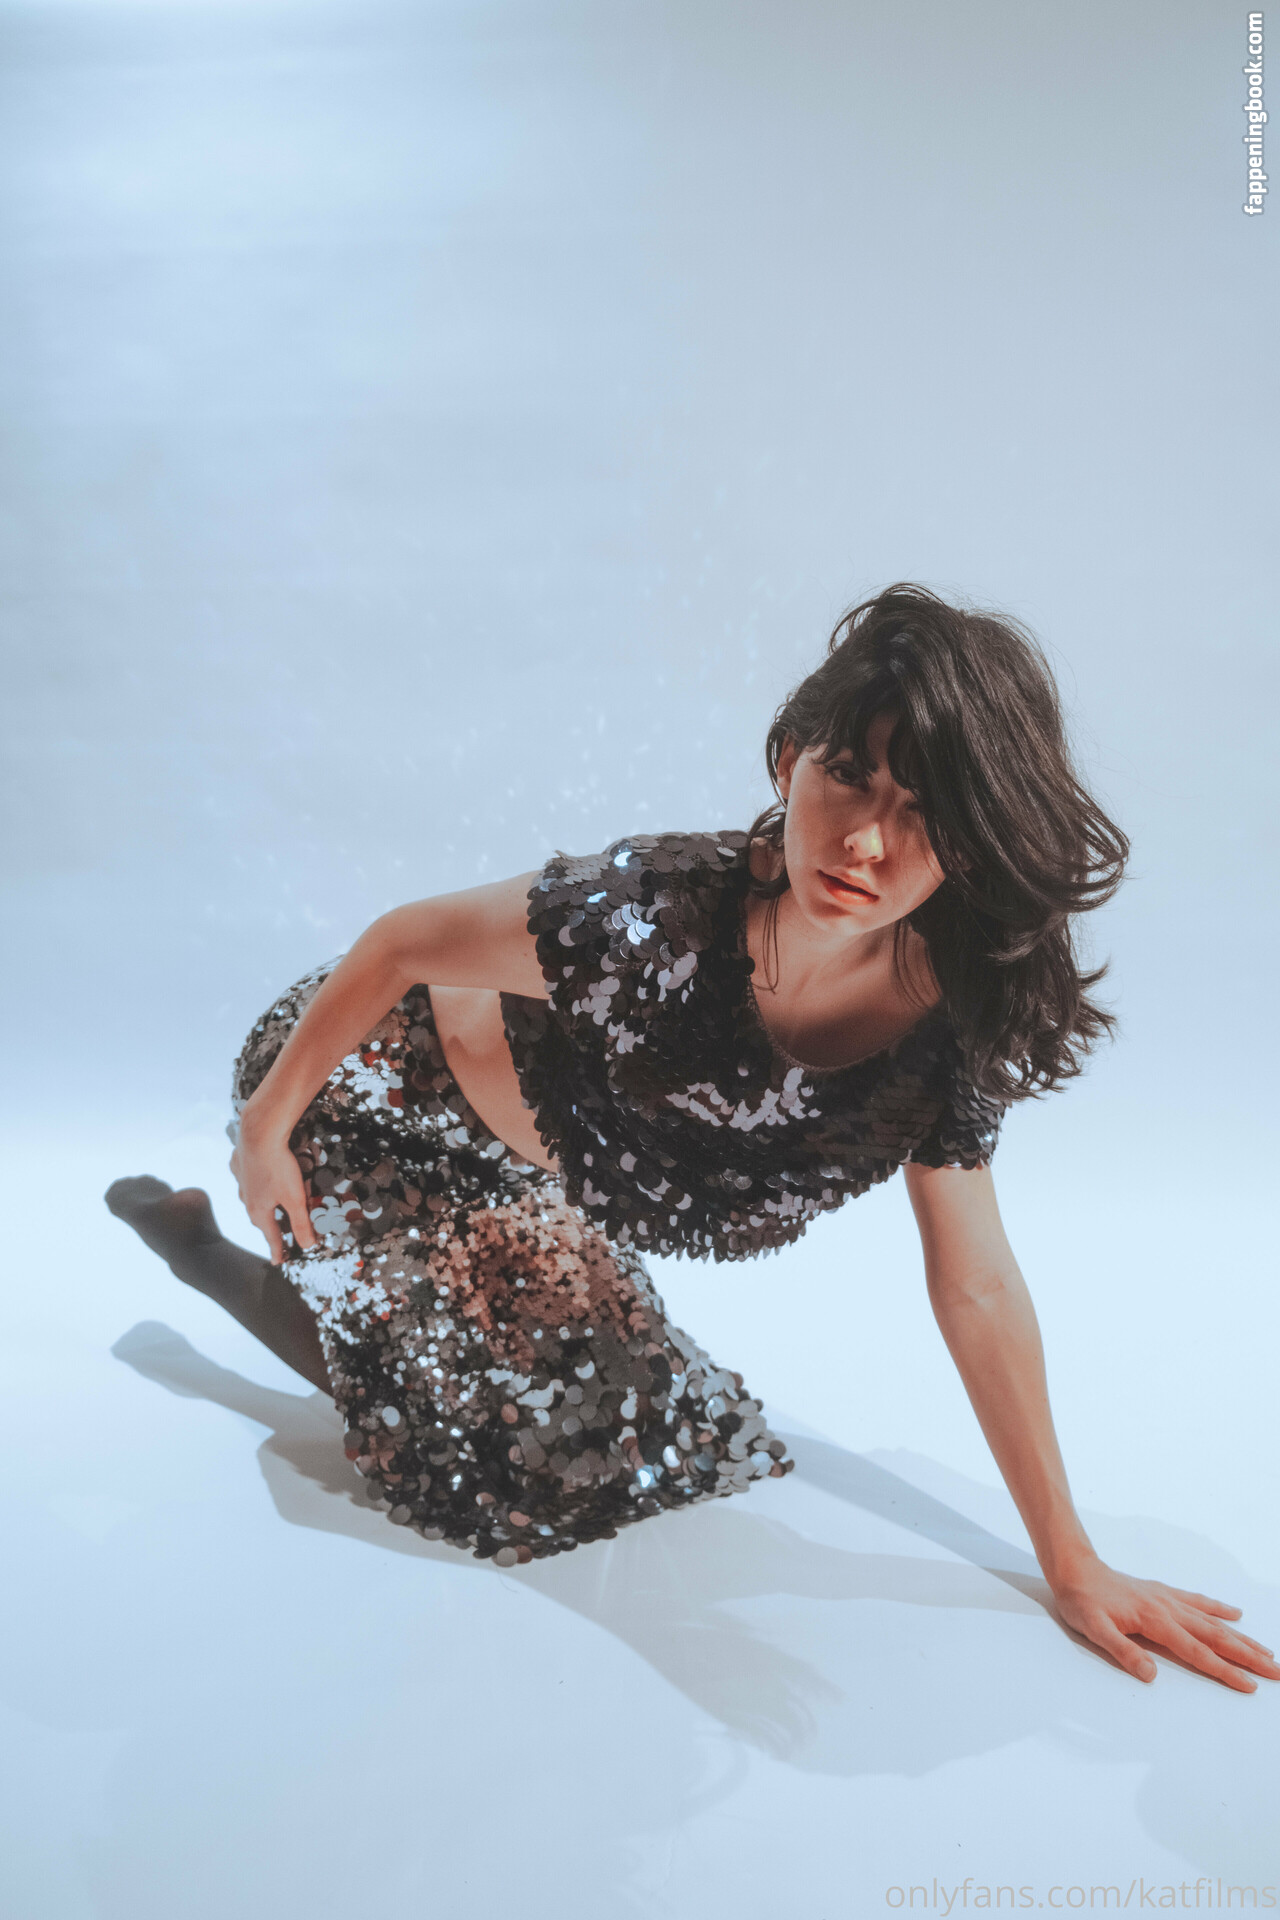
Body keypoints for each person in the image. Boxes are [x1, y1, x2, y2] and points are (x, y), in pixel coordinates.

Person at [106, 582, 1278, 1694]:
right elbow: (403, 943)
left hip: (519, 1173)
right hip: (365, 1105)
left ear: (971, 843)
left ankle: (350, 1301)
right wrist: (266, 1129)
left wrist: (1070, 1561)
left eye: (921, 813)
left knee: (661, 1444)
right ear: (788, 762)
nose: (864, 842)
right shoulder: (654, 918)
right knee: (490, 1463)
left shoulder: (944, 1017)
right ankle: (203, 1251)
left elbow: (972, 1280)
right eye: (848, 776)